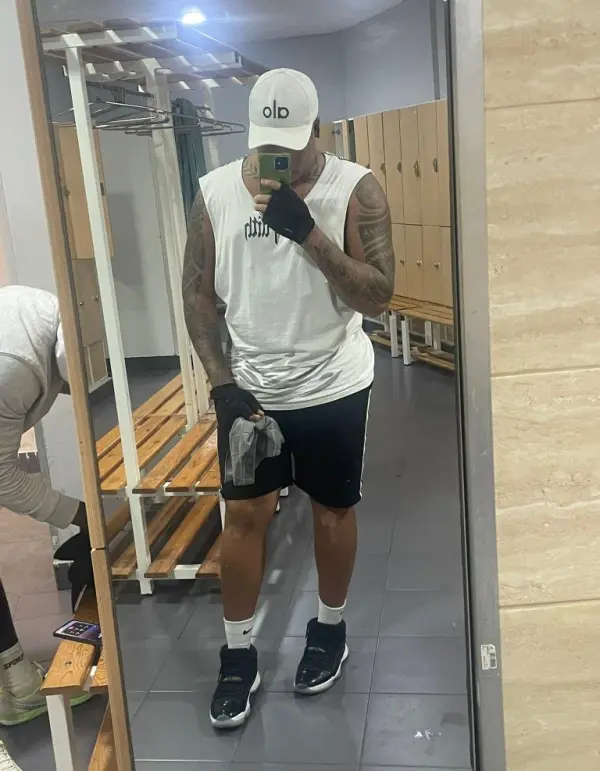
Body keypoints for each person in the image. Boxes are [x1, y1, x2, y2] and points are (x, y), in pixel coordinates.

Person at [182, 68, 395, 729]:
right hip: (251, 391)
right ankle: (238, 652)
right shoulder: (215, 192)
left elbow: (378, 296)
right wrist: (221, 381)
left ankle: (329, 627)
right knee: (244, 516)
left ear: (317, 130)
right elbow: (198, 294)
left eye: (293, 144)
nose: (280, 156)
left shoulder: (355, 188)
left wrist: (309, 234)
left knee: (333, 510)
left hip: (333, 383)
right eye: (267, 143)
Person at [0, 284, 91, 747]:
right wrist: (78, 515)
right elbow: (2, 476)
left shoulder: (40, 312)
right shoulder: (13, 366)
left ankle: (16, 682)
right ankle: (17, 690)